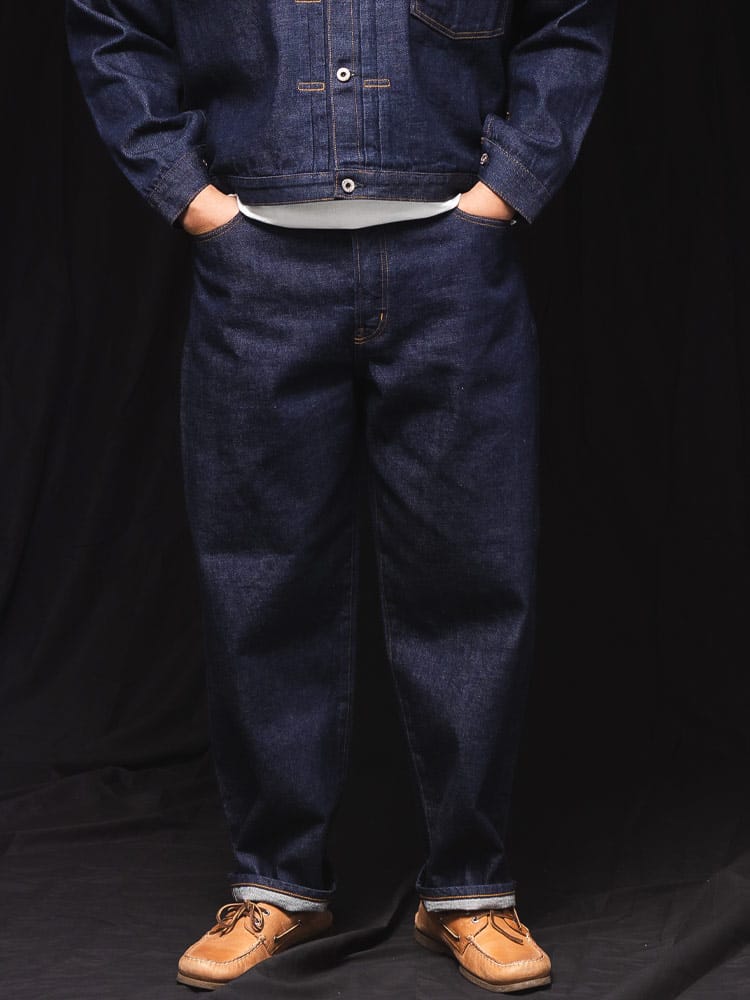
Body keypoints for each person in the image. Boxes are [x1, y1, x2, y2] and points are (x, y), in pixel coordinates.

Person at [66, 0, 616, 992]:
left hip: (451, 260)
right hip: (257, 263)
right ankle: (276, 882)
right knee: (260, 581)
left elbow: (569, 19)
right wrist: (191, 196)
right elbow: (110, 23)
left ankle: (471, 889)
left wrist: (507, 188)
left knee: (474, 572)